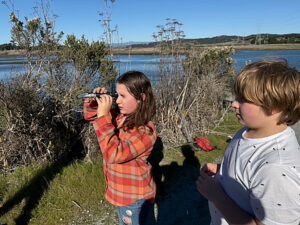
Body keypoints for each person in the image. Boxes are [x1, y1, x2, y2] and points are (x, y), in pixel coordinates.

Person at [196, 59, 300, 225]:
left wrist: (217, 196)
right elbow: (247, 165)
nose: (234, 104)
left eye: (243, 99)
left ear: (274, 106)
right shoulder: (249, 131)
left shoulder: (276, 171)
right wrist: (224, 173)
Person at [83, 71, 157, 225]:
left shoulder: (145, 131)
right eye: (117, 95)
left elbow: (113, 154)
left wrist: (104, 117)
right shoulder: (121, 117)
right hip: (122, 193)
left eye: (123, 96)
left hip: (134, 198)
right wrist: (95, 103)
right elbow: (92, 117)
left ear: (141, 99)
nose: (118, 101)